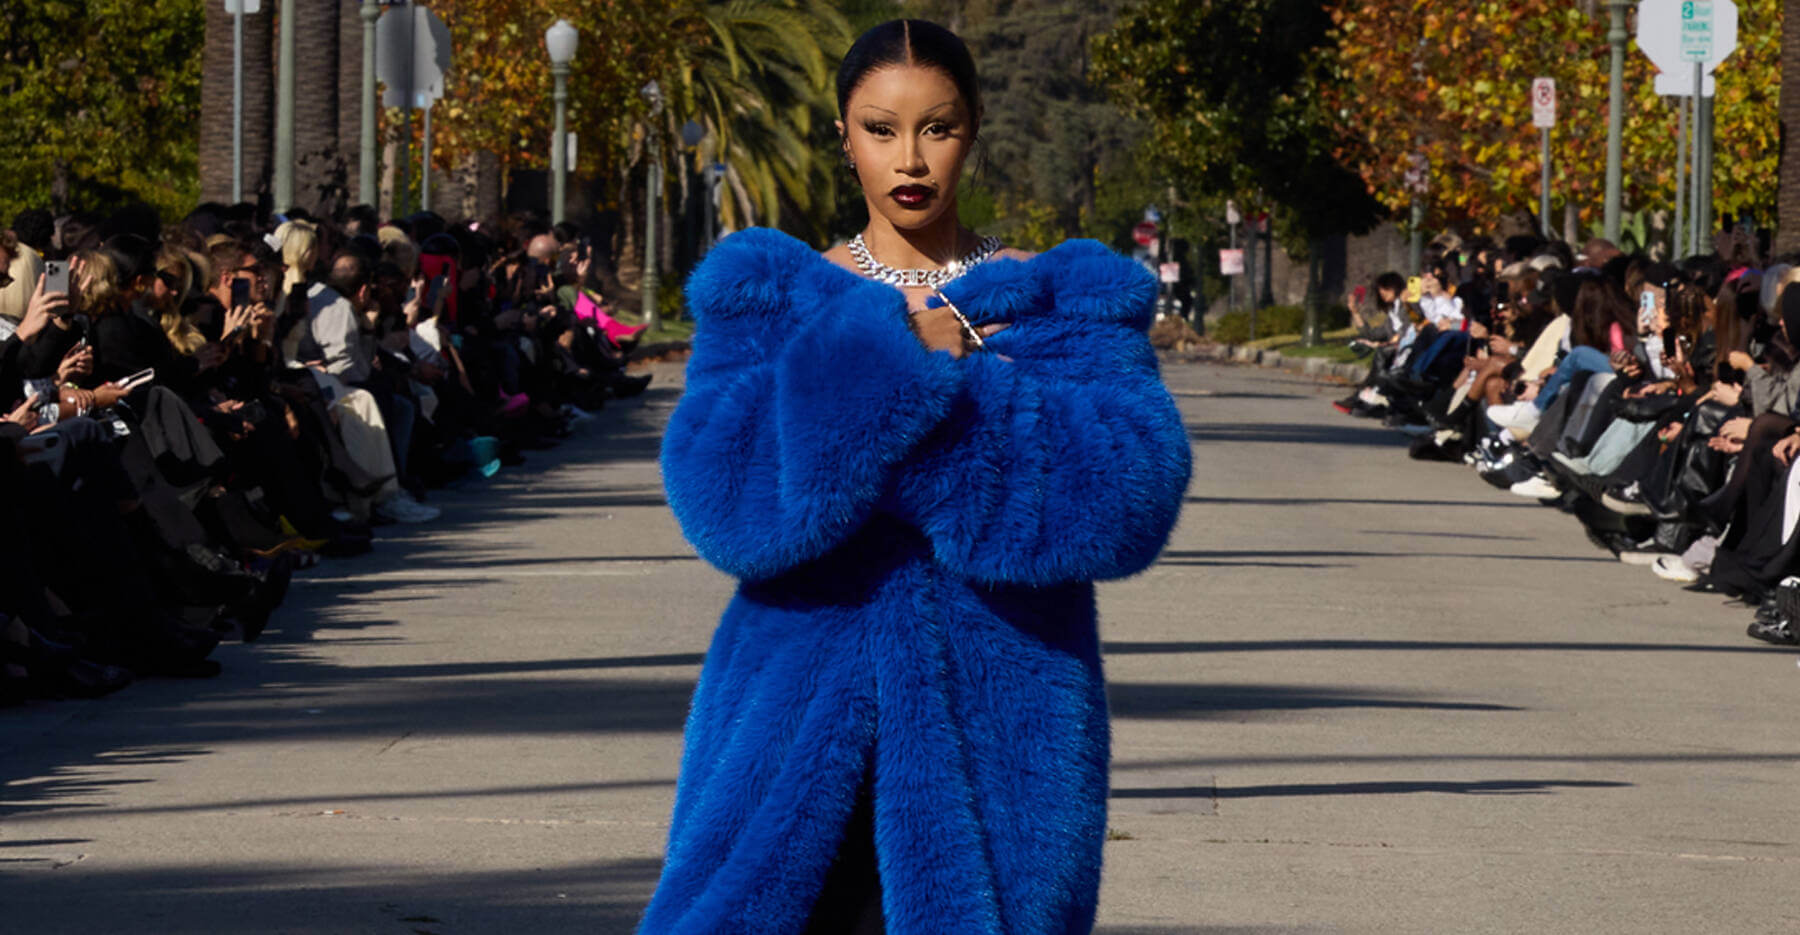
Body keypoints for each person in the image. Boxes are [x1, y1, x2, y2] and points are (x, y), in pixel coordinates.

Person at [640, 18, 1191, 935]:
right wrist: (906, 360)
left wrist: (892, 412)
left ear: (973, 131)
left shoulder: (1059, 299)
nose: (910, 158)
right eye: (880, 128)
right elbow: (725, 497)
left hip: (1004, 728)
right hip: (789, 722)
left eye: (937, 127)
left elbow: (1126, 494)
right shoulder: (771, 293)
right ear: (843, 136)